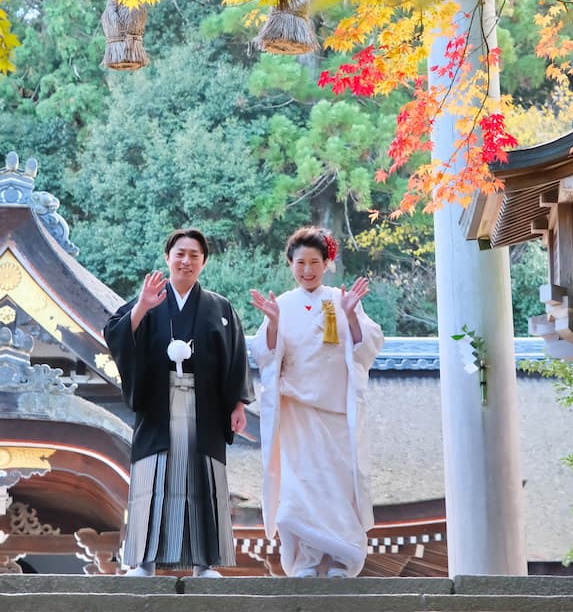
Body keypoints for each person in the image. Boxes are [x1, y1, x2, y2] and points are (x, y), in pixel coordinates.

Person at [104, 228, 253, 578]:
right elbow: (115, 333)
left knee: (203, 480)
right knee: (153, 479)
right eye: (180, 253)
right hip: (158, 406)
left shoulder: (220, 307)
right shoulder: (150, 298)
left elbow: (236, 358)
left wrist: (238, 405)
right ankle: (144, 562)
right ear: (168, 257)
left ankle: (205, 564)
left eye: (194, 255)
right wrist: (142, 306)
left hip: (206, 411)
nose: (186, 261)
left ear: (203, 262)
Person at [249, 226, 383, 578]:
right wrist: (273, 324)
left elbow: (367, 346)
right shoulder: (283, 305)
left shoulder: (342, 300)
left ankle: (342, 557)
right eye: (300, 262)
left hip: (335, 412)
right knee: (300, 486)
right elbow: (264, 355)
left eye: (314, 262)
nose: (307, 269)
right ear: (290, 265)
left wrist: (352, 315)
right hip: (296, 414)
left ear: (326, 264)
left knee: (336, 486)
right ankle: (307, 559)